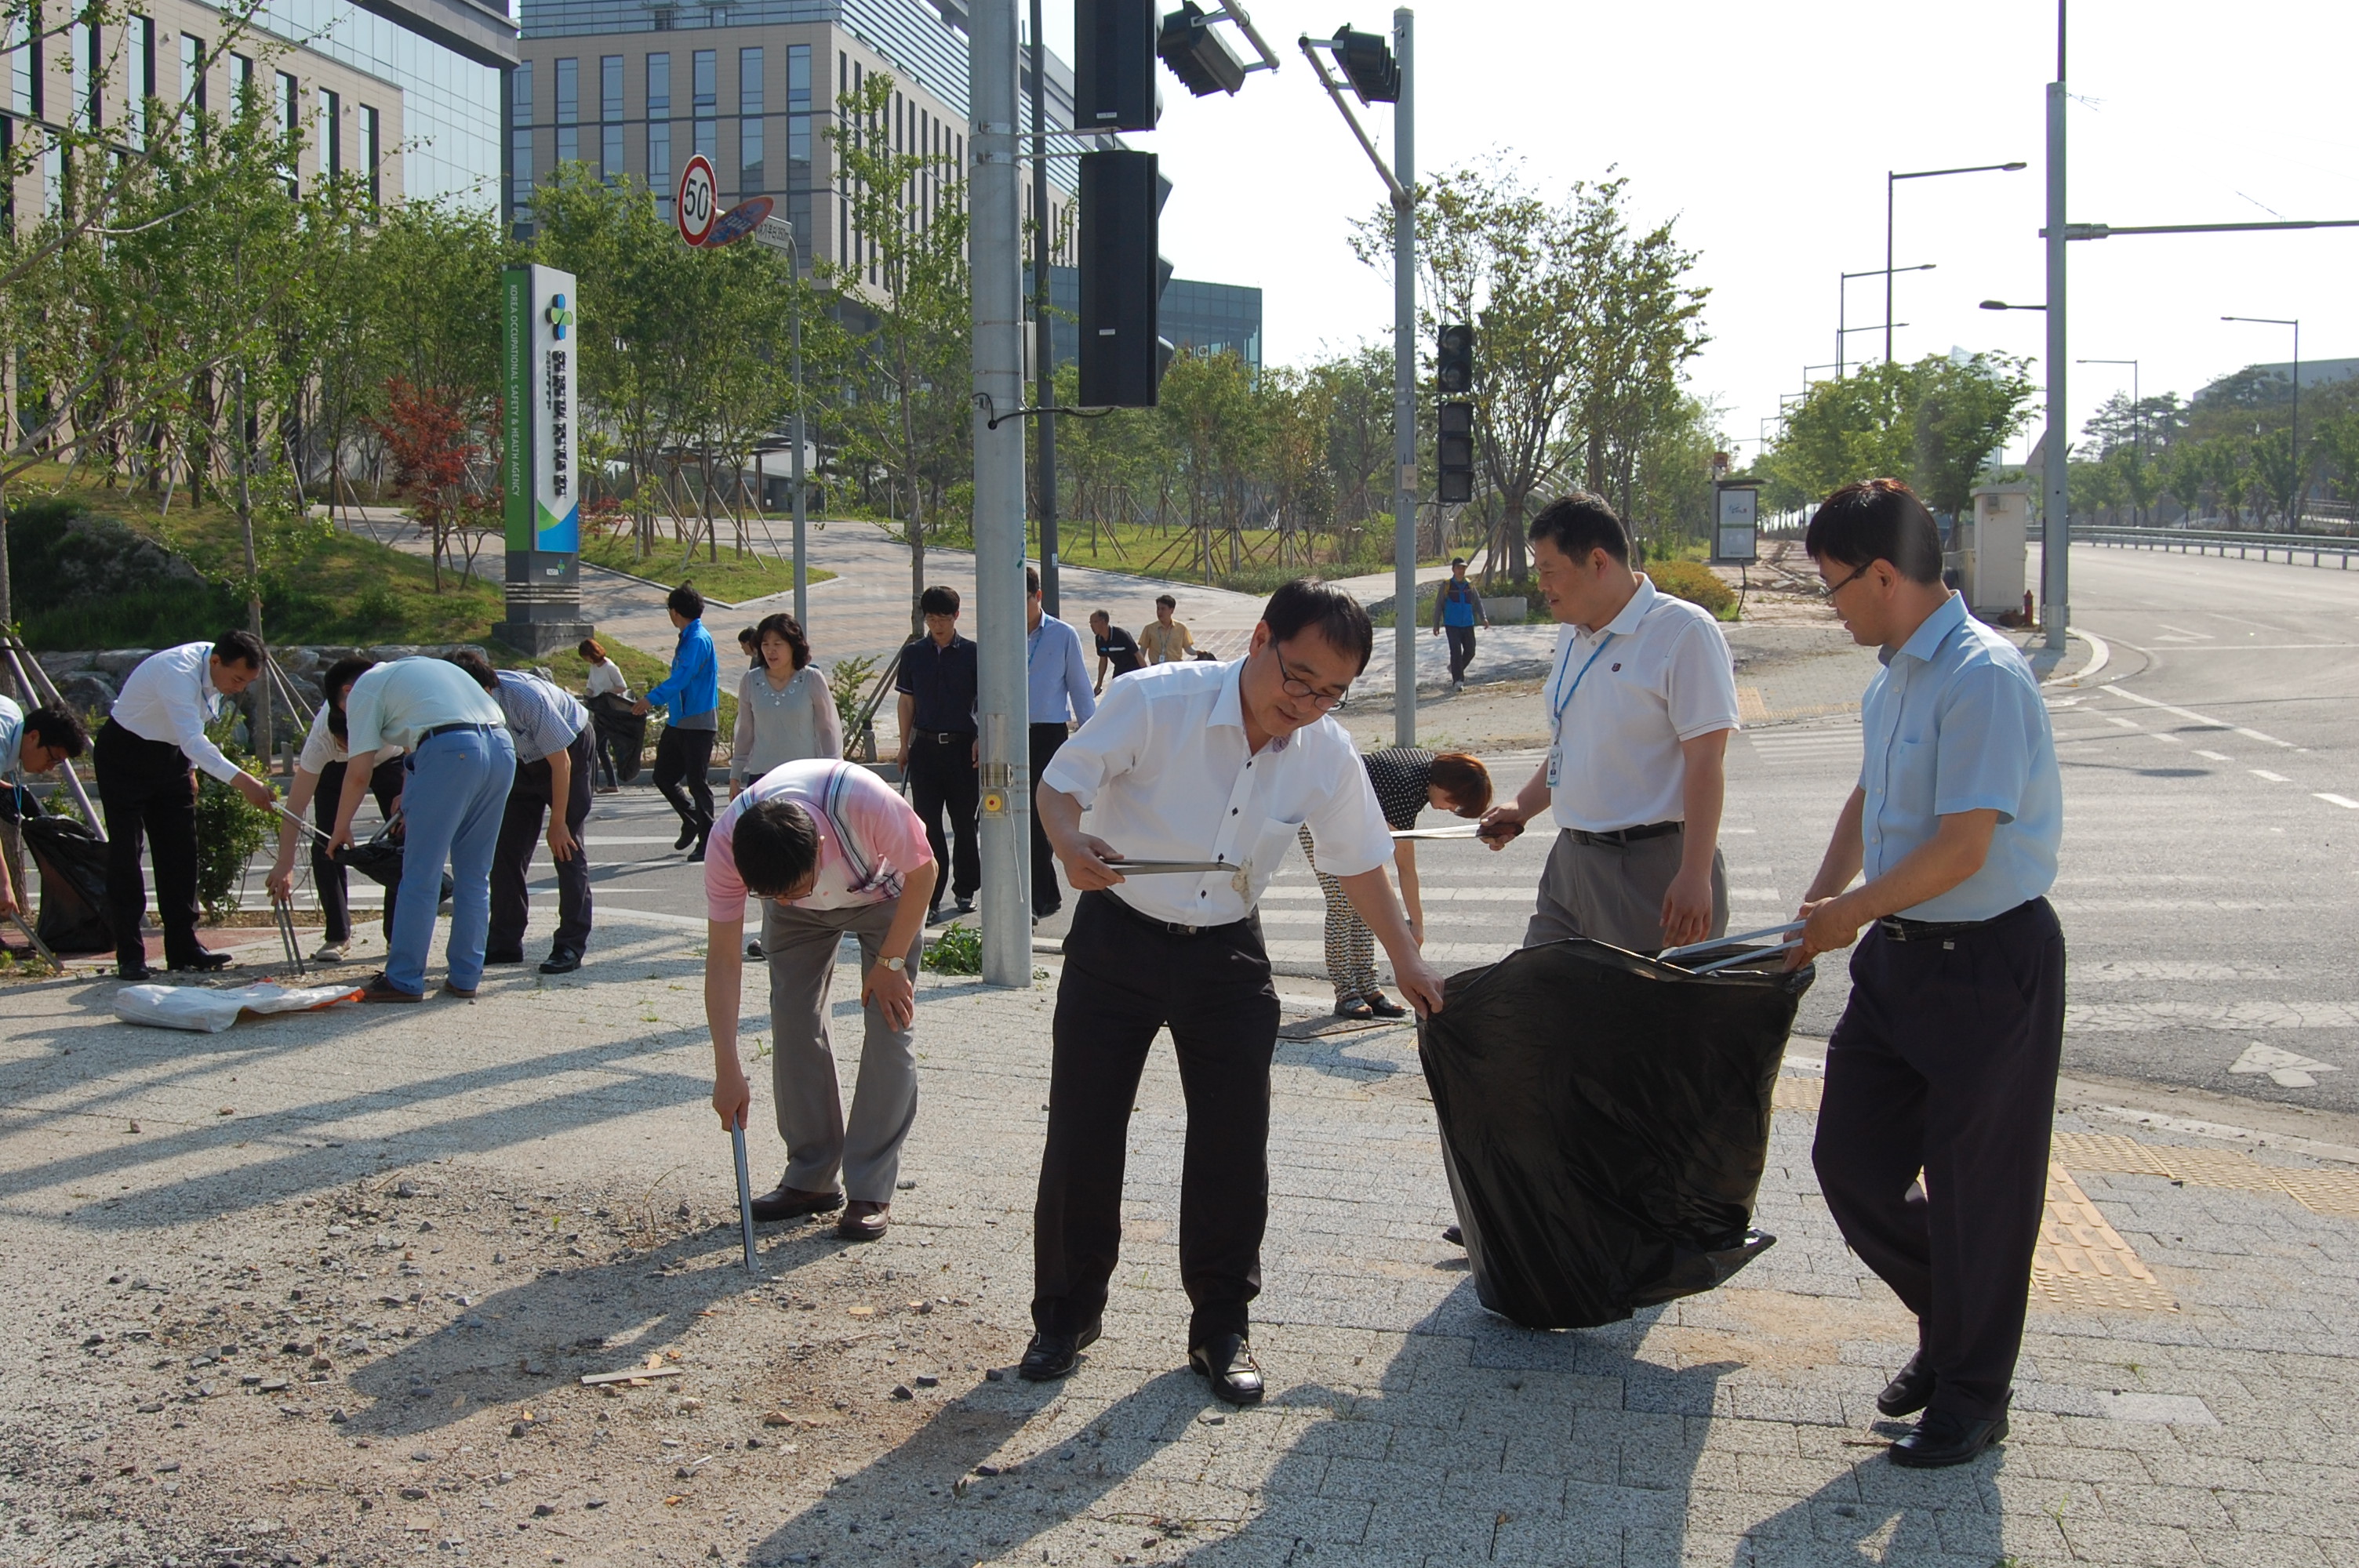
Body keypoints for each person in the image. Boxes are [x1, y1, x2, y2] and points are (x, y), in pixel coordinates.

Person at [1021, 579, 1448, 1406]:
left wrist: (1405, 958)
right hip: (1117, 935)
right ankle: (1064, 1315)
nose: (1309, 702)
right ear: (1259, 639)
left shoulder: (1323, 748)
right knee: (1083, 1128)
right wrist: (1069, 842)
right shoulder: (1154, 700)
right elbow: (1060, 782)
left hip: (1226, 954)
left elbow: (1357, 856)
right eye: (1298, 677)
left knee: (1230, 1140)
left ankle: (1220, 1323)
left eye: (1330, 691)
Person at [1787, 478, 2065, 1469]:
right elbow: (1868, 800)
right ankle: (1952, 1322)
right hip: (1896, 960)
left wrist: (1847, 914)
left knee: (1977, 1191)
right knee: (1849, 1164)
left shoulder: (1981, 675)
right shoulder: (1892, 674)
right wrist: (1816, 905)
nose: (1832, 607)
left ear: (1881, 574)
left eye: (1831, 587)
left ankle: (1971, 1394)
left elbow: (1961, 849)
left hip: (1987, 961)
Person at [1476, 494, 1739, 955]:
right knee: (1539, 1002)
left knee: (1639, 1021)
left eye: (1549, 570)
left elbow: (1706, 762)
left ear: (1598, 561)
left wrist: (1695, 874)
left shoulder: (1683, 631)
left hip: (1648, 868)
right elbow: (1573, 744)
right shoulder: (1574, 632)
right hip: (1570, 863)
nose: (1542, 585)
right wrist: (1523, 806)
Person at [703, 758, 939, 1243]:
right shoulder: (729, 846)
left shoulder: (863, 803)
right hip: (802, 928)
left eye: (797, 888)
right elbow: (724, 960)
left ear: (822, 848)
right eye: (773, 895)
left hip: (885, 895)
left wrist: (891, 963)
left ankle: (870, 1188)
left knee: (890, 1023)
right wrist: (727, 1065)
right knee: (792, 1018)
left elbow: (925, 872)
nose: (790, 898)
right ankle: (810, 1177)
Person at [327, 656, 516, 1003]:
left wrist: (341, 828)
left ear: (347, 692)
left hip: (450, 751)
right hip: (501, 748)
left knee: (420, 873)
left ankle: (403, 979)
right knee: (475, 874)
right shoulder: (417, 673)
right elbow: (416, 747)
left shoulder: (363, 692)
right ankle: (465, 977)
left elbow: (358, 773)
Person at [95, 633, 278, 979]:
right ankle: (131, 955)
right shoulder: (177, 670)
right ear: (215, 662)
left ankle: (183, 947)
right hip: (125, 754)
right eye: (237, 679)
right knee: (126, 854)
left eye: (247, 682)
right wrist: (245, 782)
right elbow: (193, 738)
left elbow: (192, 731)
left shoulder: (219, 675)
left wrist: (189, 769)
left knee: (181, 851)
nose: (239, 688)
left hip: (172, 757)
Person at [1306, 750, 1492, 1019]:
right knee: (1343, 901)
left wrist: (1414, 924)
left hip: (1350, 818)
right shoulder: (1407, 785)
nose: (1450, 809)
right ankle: (1346, 990)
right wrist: (1416, 925)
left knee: (1366, 899)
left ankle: (1369, 987)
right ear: (1445, 785)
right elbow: (1405, 866)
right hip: (1318, 815)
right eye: (1454, 802)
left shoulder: (1430, 768)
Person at [442, 651, 595, 976]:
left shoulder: (523, 697)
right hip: (520, 764)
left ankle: (570, 943)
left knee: (566, 847)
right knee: (505, 851)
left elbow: (561, 763)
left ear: (484, 688)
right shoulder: (461, 705)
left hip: (569, 753)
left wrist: (557, 823)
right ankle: (504, 941)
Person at [264, 658, 407, 962]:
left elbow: (415, 750)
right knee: (326, 840)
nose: (353, 749)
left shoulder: (393, 701)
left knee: (403, 837)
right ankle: (337, 934)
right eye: (346, 745)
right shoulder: (323, 741)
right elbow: (296, 805)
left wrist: (408, 792)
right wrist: (285, 861)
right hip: (336, 772)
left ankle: (397, 935)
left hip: (391, 761)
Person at [894, 586, 980, 924]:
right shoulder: (914, 654)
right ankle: (930, 896)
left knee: (964, 824)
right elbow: (906, 701)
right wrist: (904, 744)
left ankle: (966, 889)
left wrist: (981, 738)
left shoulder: (974, 653)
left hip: (963, 748)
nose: (937, 625)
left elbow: (987, 699)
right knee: (926, 828)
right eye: (931, 619)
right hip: (925, 749)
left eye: (943, 618)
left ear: (956, 616)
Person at [1025, 567, 1096, 923]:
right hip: (1008, 735)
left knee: (1041, 817)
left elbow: (1081, 691)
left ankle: (1041, 898)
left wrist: (1095, 742)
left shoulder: (1062, 635)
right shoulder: (998, 632)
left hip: (1047, 734)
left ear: (1038, 597)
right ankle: (1040, 895)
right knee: (1009, 816)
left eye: (1021, 600)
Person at [635, 583, 721, 862]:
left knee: (698, 782)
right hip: (680, 720)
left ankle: (708, 841)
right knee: (663, 775)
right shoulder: (687, 636)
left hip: (698, 720)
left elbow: (682, 677)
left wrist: (651, 699)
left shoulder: (697, 639)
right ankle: (692, 818)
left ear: (674, 612)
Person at [731, 613, 842, 796]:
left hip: (804, 778)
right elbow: (745, 731)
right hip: (761, 778)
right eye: (765, 644)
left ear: (793, 645)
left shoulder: (812, 679)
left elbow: (827, 730)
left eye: (777, 644)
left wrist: (833, 774)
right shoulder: (750, 681)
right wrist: (735, 775)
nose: (770, 650)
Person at [0, 698, 89, 925]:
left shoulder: (11, 714)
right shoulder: (2, 738)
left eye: (58, 763)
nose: (50, 767)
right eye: (52, 758)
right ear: (34, 736)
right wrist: (3, 884)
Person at [1430, 557, 1491, 690]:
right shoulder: (1447, 586)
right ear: (1453, 569)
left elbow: (1478, 602)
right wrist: (1436, 624)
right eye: (1458, 568)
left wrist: (1483, 617)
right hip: (1452, 625)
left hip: (1468, 624)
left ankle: (1455, 669)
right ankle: (1458, 681)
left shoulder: (1469, 585)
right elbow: (1439, 605)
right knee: (1456, 652)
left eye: (1463, 568)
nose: (1461, 571)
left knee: (1470, 651)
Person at [580, 637, 630, 794]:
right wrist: (587, 696)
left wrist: (606, 692)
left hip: (610, 712)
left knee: (594, 746)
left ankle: (592, 783)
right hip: (599, 709)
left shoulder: (610, 667)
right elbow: (591, 686)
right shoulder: (594, 667)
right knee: (601, 749)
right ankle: (611, 783)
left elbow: (622, 687)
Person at [1089, 610, 1143, 692]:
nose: (1091, 626)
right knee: (1114, 694)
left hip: (1134, 671)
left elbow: (1138, 655)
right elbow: (1103, 660)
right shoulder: (1099, 639)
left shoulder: (1122, 635)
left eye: (1094, 622)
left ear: (1103, 622)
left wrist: (1145, 675)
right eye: (1090, 623)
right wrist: (1099, 684)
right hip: (1119, 671)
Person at [1136, 594, 1195, 666]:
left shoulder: (1181, 628)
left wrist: (1199, 652)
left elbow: (1188, 649)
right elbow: (1142, 651)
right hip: (1157, 667)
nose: (1159, 612)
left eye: (1163, 609)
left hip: (1176, 667)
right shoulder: (1149, 629)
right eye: (1158, 609)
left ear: (1172, 610)